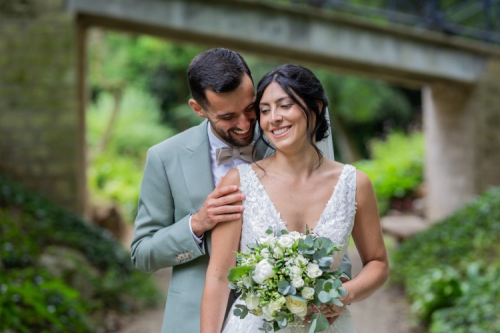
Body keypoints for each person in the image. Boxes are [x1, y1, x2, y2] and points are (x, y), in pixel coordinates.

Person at [130, 49, 353, 333]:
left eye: (250, 108)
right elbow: (142, 253)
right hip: (193, 320)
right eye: (228, 116)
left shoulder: (285, 136)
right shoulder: (165, 158)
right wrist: (196, 224)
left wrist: (333, 290)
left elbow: (333, 230)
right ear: (199, 109)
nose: (246, 124)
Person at [201, 64, 389, 332]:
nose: (273, 118)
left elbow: (378, 263)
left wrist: (344, 295)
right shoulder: (239, 182)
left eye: (284, 105)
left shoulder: (355, 184)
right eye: (264, 110)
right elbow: (219, 277)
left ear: (316, 107)